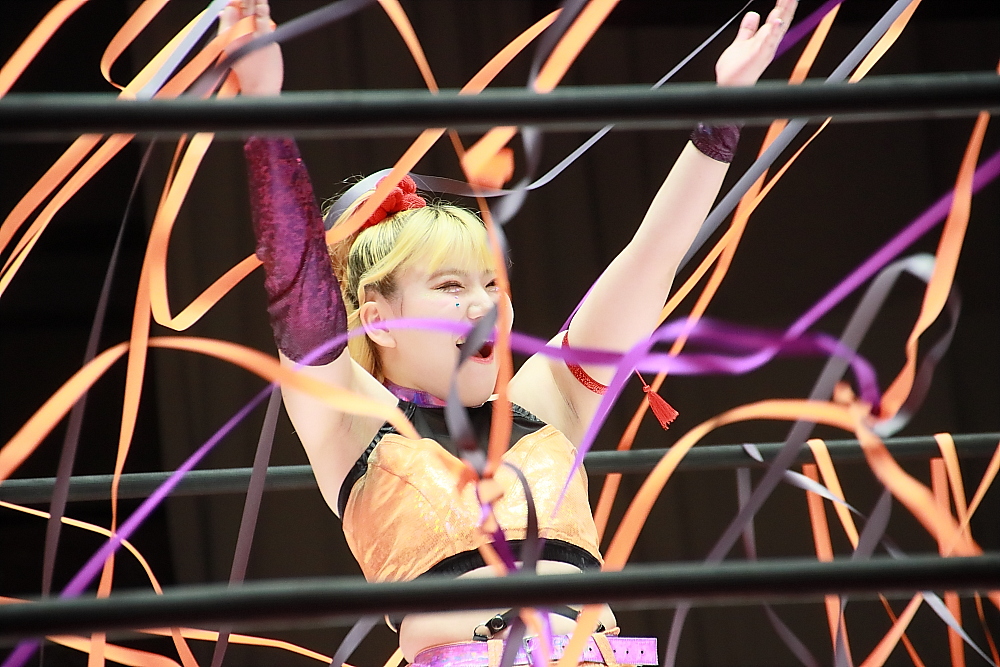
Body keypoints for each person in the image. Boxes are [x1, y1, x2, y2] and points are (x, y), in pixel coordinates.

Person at [223, 0, 797, 663]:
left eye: (493, 285)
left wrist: (722, 115)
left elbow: (652, 257)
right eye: (451, 287)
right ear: (379, 319)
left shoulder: (548, 401)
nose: (486, 306)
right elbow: (300, 297)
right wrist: (262, 110)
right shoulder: (352, 421)